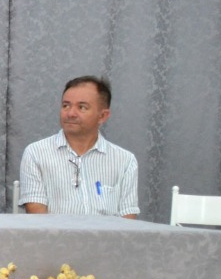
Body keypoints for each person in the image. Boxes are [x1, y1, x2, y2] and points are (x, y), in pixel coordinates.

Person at [18, 76, 139, 219]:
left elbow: (128, 221)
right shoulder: (36, 153)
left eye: (81, 107)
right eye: (66, 106)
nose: (71, 114)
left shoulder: (125, 161)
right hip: (54, 239)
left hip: (108, 240)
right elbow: (37, 218)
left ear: (103, 116)